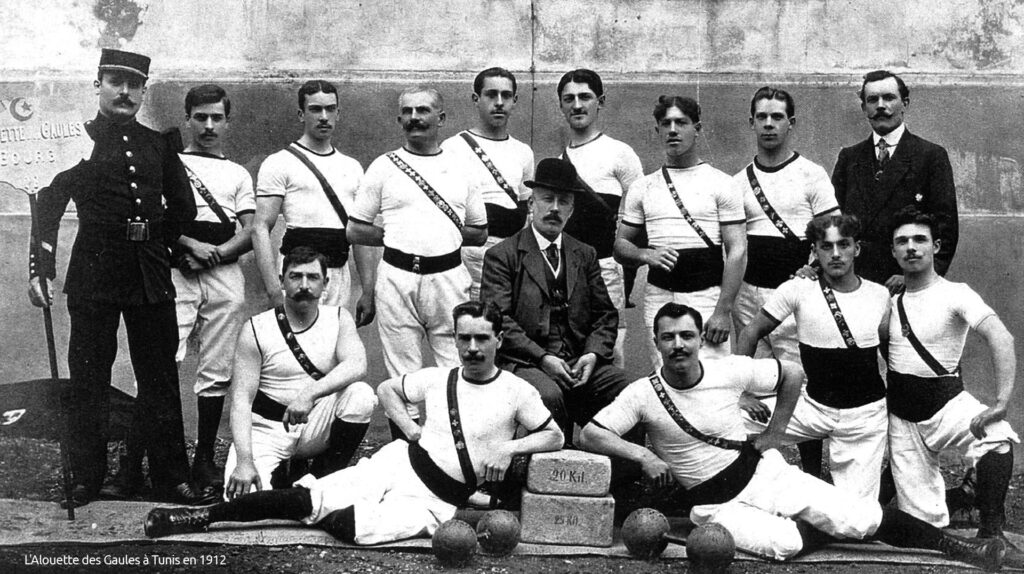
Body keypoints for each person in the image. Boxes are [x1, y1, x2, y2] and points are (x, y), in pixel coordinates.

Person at [578, 302, 1005, 570]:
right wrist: (645, 456)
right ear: (655, 342)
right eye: (668, 337)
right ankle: (809, 521)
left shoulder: (727, 370)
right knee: (782, 544)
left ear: (697, 338)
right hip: (713, 503)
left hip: (763, 473)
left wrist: (776, 433)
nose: (678, 345)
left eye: (687, 335)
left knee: (861, 517)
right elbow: (592, 435)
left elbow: (793, 373)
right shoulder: (642, 393)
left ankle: (958, 548)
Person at [145, 301, 563, 545]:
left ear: (498, 341)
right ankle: (199, 519)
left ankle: (309, 504)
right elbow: (386, 391)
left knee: (352, 526)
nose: (472, 348)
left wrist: (509, 447)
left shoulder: (516, 391)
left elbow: (554, 435)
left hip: (436, 501)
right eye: (464, 338)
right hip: (399, 462)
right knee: (309, 500)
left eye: (481, 339)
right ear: (455, 339)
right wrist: (410, 428)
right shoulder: (439, 378)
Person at [26, 49, 209, 507]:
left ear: (144, 90)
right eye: (115, 82)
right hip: (94, 270)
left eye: (134, 84)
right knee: (88, 376)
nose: (125, 92)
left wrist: (159, 242)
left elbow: (183, 208)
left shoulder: (157, 143)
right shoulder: (74, 141)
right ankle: (86, 478)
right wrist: (40, 270)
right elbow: (47, 208)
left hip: (149, 273)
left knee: (160, 376)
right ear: (98, 85)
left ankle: (171, 478)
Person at [100, 84, 257, 500]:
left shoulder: (238, 173)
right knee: (161, 364)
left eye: (216, 118)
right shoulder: (167, 160)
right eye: (200, 117)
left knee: (217, 368)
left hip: (223, 272)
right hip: (175, 267)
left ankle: (203, 460)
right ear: (187, 118)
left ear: (227, 121)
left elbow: (251, 230)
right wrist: (187, 247)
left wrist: (216, 253)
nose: (208, 126)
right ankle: (132, 465)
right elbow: (156, 215)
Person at [347, 86, 487, 438]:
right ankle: (404, 458)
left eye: (423, 110)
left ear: (441, 118)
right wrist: (396, 237)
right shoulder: (383, 166)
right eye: (407, 112)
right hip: (396, 276)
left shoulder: (461, 167)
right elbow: (355, 228)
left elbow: (479, 231)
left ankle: (453, 454)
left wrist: (440, 236)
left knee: (455, 369)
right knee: (401, 375)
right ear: (399, 120)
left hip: (449, 277)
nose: (414, 118)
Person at [886, 206, 1019, 553]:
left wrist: (1001, 403)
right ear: (893, 251)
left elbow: (1001, 337)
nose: (911, 247)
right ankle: (961, 497)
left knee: (997, 438)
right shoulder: (886, 299)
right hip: (902, 419)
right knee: (923, 526)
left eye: (920, 239)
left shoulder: (956, 292)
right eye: (902, 241)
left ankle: (991, 531)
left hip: (945, 403)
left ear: (936, 246)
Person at [737, 214, 890, 500]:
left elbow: (890, 354)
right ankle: (748, 493)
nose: (835, 254)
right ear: (815, 251)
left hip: (863, 418)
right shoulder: (797, 289)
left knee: (856, 520)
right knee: (726, 416)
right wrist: (740, 392)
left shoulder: (879, 295)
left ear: (856, 248)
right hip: (812, 407)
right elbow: (750, 332)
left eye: (843, 245)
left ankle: (813, 505)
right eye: (825, 246)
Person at [480, 157, 628, 443]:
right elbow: (500, 323)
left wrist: (592, 355)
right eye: (547, 199)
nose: (555, 208)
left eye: (563, 202)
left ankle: (622, 480)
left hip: (578, 361)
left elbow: (605, 315)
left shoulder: (584, 254)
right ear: (531, 205)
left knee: (628, 391)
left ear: (571, 211)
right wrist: (543, 358)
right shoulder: (503, 256)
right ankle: (544, 481)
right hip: (526, 363)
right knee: (548, 395)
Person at [223, 247, 376, 499]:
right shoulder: (256, 328)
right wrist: (244, 460)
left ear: (325, 283)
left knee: (361, 395)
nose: (304, 285)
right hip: (267, 429)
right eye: (295, 276)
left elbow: (357, 364)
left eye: (313, 277)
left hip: (313, 424)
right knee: (241, 498)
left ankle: (321, 478)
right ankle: (282, 475)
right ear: (282, 280)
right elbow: (241, 401)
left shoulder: (338, 318)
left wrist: (309, 394)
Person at [614, 96, 746, 366]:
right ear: (658, 131)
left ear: (697, 128)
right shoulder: (643, 187)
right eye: (666, 124)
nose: (673, 130)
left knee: (714, 377)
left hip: (707, 296)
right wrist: (644, 254)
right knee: (666, 374)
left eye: (681, 122)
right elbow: (620, 246)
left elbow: (737, 250)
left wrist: (723, 310)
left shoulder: (722, 183)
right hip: (659, 296)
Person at [252, 79, 376, 325]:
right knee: (295, 350)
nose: (323, 116)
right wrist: (274, 290)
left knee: (332, 346)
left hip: (338, 273)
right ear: (301, 114)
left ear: (338, 114)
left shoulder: (352, 168)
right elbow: (259, 228)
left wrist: (368, 290)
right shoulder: (279, 163)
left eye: (330, 109)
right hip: (297, 274)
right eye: (315, 109)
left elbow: (360, 235)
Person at [732, 87, 839, 364]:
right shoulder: (737, 182)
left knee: (798, 380)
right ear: (751, 122)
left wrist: (814, 269)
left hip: (794, 294)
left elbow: (834, 232)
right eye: (762, 116)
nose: (769, 124)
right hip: (747, 298)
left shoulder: (812, 174)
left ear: (790, 123)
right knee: (753, 381)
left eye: (777, 117)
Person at [832, 70, 958, 293]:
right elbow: (833, 222)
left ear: (905, 103)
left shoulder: (930, 156)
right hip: (855, 283)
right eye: (872, 100)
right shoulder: (849, 158)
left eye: (889, 98)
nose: (880, 106)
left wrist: (917, 275)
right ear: (864, 108)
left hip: (906, 281)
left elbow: (945, 227)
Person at [557, 69, 643, 366]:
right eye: (569, 99)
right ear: (561, 105)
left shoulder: (620, 154)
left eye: (585, 97)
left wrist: (627, 275)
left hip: (607, 269)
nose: (577, 105)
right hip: (566, 272)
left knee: (611, 349)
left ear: (600, 101)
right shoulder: (559, 162)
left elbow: (639, 218)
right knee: (569, 347)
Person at [442, 67, 534, 299]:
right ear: (476, 99)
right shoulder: (453, 148)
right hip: (467, 256)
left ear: (514, 100)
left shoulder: (523, 152)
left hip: (510, 257)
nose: (499, 102)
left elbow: (525, 207)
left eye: (506, 95)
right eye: (491, 95)